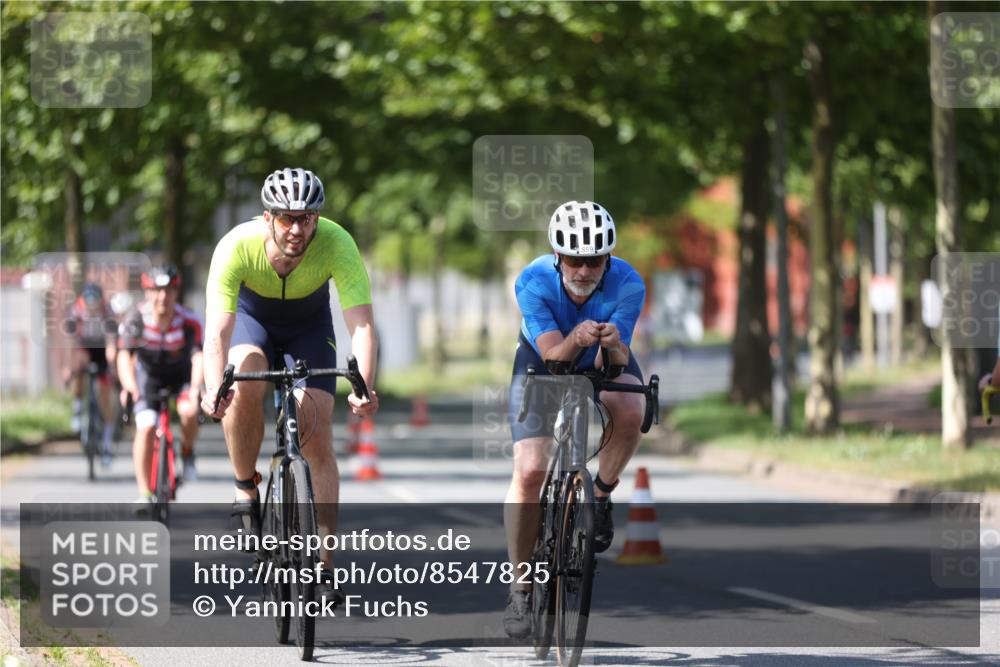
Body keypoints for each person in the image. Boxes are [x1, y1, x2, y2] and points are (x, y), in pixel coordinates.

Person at [200, 167, 379, 585]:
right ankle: (245, 485)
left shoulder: (337, 243)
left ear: (317, 218)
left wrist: (364, 387)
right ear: (267, 218)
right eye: (286, 218)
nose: (296, 229)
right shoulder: (235, 247)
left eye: (306, 218)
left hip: (308, 326)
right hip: (252, 321)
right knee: (243, 379)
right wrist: (213, 389)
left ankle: (324, 565)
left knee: (316, 425)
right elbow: (217, 334)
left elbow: (363, 327)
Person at [502, 200, 647, 638]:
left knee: (632, 407)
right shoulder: (532, 280)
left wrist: (614, 344)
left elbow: (618, 365)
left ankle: (600, 495)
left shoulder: (628, 283)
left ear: (608, 259)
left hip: (603, 354)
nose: (583, 271)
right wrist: (577, 337)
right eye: (574, 259)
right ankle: (521, 588)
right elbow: (552, 355)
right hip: (543, 358)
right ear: (557, 256)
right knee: (529, 470)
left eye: (594, 261)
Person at [117, 265, 204, 505]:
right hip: (149, 379)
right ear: (147, 292)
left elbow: (198, 357)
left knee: (189, 411)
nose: (162, 297)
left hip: (181, 375)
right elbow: (124, 355)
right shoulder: (135, 319)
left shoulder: (189, 321)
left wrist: (196, 387)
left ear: (176, 293)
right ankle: (144, 493)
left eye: (169, 290)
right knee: (145, 427)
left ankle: (187, 452)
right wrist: (130, 387)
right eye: (156, 290)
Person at [63, 282, 118, 466]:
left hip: (102, 349)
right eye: (89, 303)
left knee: (105, 396)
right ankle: (78, 407)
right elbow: (71, 342)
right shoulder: (76, 311)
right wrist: (68, 368)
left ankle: (108, 442)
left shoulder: (107, 312)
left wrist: (112, 365)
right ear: (83, 301)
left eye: (96, 303)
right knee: (78, 364)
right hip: (85, 346)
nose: (92, 307)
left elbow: (111, 342)